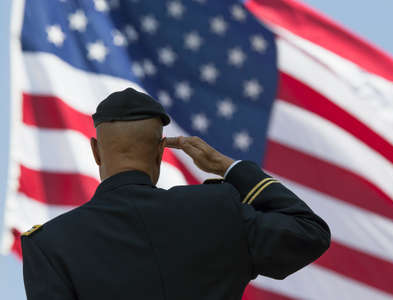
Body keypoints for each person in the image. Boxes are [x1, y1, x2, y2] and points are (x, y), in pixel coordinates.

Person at [21, 88, 330, 300]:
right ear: (160, 152)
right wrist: (231, 168)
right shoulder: (218, 211)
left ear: (95, 151)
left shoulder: (51, 245)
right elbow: (308, 232)